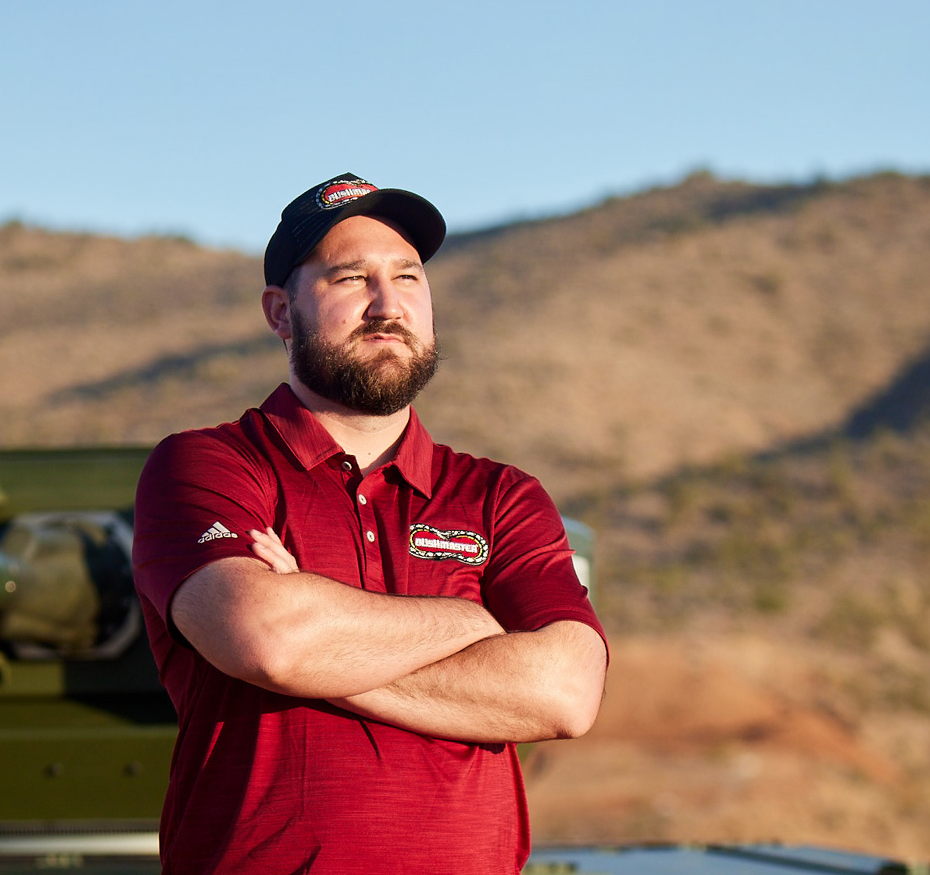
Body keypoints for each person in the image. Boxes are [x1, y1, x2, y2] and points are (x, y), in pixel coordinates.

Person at [132, 173, 608, 874]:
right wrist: (473, 620)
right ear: (280, 311)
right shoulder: (210, 467)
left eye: (408, 277)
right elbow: (269, 640)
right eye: (350, 278)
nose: (388, 305)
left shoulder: (499, 496)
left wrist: (327, 647)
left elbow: (565, 694)